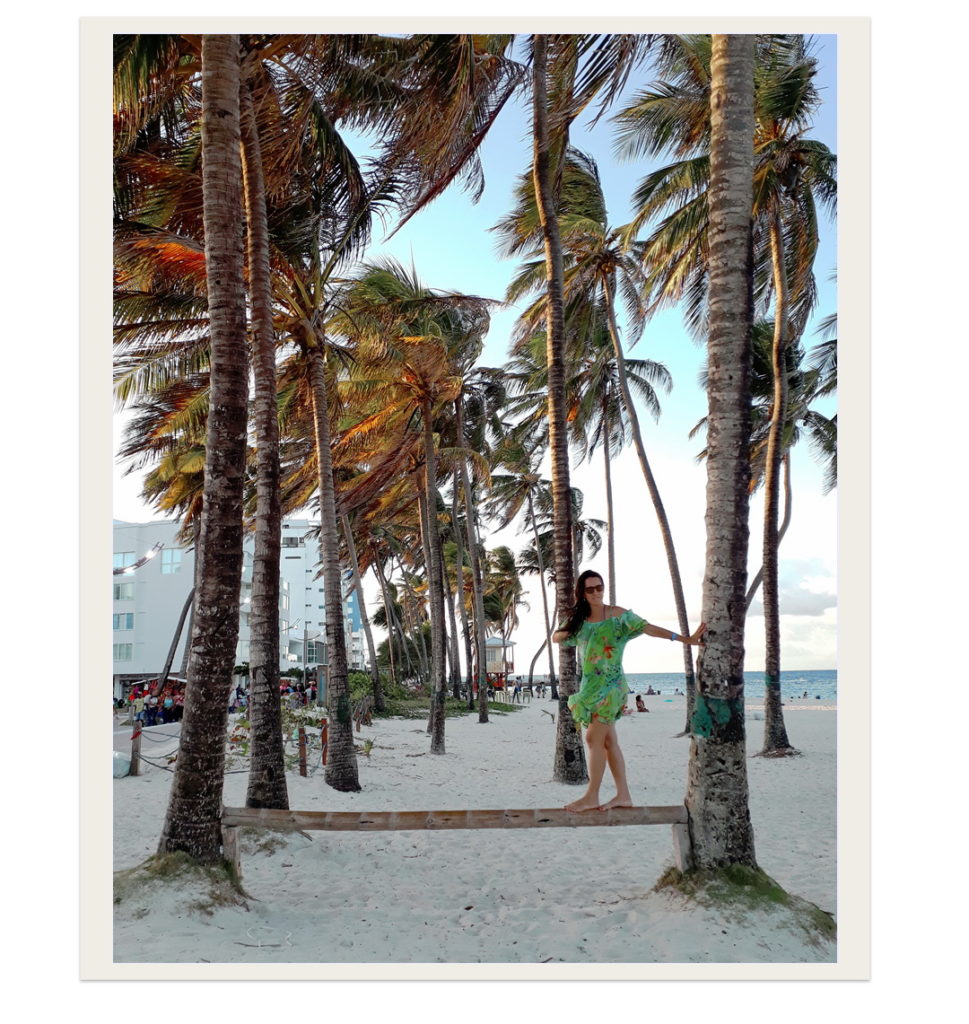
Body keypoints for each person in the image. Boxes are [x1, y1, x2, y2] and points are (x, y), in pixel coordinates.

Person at [552, 569, 706, 813]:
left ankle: (592, 796)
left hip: (612, 687)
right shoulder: (579, 620)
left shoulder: (617, 616)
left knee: (593, 738)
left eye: (599, 587)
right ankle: (623, 795)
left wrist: (685, 639)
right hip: (589, 688)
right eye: (590, 589)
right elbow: (556, 637)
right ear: (582, 593)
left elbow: (648, 628)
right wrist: (574, 630)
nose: (596, 592)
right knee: (609, 741)